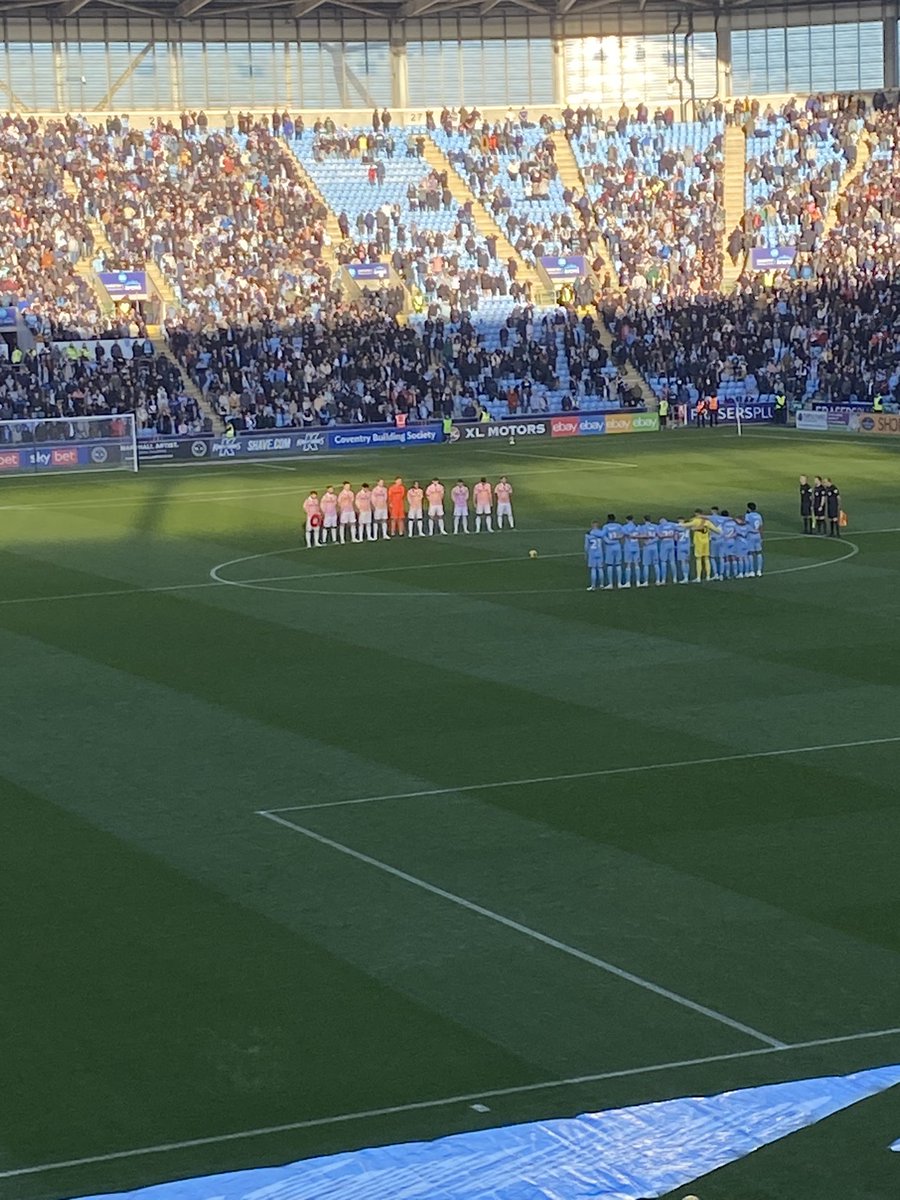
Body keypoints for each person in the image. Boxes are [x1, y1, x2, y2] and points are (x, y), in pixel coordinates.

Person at [600, 513, 623, 589]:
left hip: (609, 547)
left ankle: (610, 584)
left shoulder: (605, 527)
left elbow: (603, 536)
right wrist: (617, 538)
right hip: (617, 546)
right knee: (618, 564)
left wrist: (609, 542)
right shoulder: (618, 526)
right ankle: (619, 583)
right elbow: (622, 535)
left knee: (609, 565)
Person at [638, 515, 661, 586]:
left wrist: (647, 542)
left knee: (646, 565)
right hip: (654, 547)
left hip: (647, 547)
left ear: (644, 520)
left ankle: (646, 581)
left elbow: (641, 536)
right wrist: (653, 541)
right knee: (656, 564)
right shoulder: (656, 526)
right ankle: (658, 580)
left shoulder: (642, 527)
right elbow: (659, 536)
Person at [620, 515, 640, 588]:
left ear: (626, 520)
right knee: (637, 564)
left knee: (628, 565)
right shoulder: (637, 527)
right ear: (633, 519)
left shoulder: (624, 527)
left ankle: (628, 582)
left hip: (628, 547)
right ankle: (638, 582)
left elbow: (624, 534)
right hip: (636, 546)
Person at [745, 502, 764, 574]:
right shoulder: (759, 516)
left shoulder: (748, 516)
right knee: (759, 553)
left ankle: (752, 570)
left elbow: (746, 525)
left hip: (750, 535)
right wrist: (761, 537)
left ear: (749, 508)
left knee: (750, 553)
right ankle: (759, 571)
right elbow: (761, 527)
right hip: (757, 535)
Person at [657, 517, 678, 584]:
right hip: (671, 544)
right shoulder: (672, 524)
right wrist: (672, 536)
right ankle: (675, 578)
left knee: (663, 562)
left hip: (664, 545)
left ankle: (663, 579)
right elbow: (677, 530)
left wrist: (666, 536)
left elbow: (660, 536)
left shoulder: (660, 526)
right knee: (672, 562)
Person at [584, 521, 604, 591]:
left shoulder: (588, 534)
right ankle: (601, 585)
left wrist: (586, 554)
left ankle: (593, 586)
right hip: (600, 552)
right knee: (600, 568)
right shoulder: (601, 533)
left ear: (592, 525)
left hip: (592, 553)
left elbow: (586, 546)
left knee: (593, 569)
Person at [718, 510, 738, 578]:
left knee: (726, 558)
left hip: (725, 541)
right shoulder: (733, 523)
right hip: (733, 541)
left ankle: (727, 574)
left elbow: (721, 532)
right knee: (733, 557)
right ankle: (735, 573)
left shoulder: (723, 523)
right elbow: (736, 532)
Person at [674, 519, 692, 583]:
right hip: (687, 546)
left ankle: (685, 578)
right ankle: (687, 576)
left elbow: (676, 539)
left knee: (683, 562)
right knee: (687, 562)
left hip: (680, 546)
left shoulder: (677, 530)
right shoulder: (687, 529)